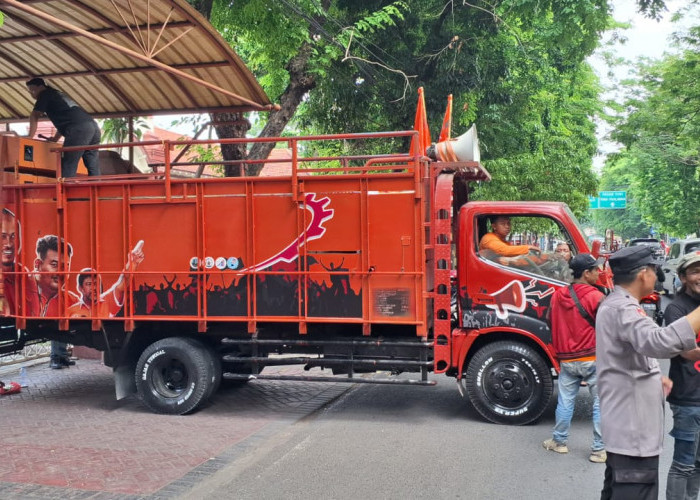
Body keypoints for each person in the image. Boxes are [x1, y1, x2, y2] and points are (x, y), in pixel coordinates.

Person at [597, 246, 700, 500]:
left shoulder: (622, 304)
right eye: (654, 271)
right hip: (632, 435)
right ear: (644, 274)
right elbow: (659, 342)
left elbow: (631, 357)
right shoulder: (623, 309)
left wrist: (654, 379)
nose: (656, 277)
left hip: (629, 430)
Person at [543, 254, 606, 463]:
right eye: (596, 270)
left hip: (567, 360)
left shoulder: (557, 295)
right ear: (586, 273)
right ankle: (599, 450)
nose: (599, 273)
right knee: (600, 403)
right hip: (593, 358)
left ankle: (559, 442)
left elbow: (550, 321)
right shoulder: (596, 297)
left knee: (565, 401)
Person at [665, 251, 700, 500]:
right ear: (683, 277)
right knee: (684, 463)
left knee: (698, 464)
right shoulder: (676, 309)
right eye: (695, 271)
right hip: (688, 399)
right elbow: (687, 352)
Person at [24, 77, 101, 178]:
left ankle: (66, 191)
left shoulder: (45, 94)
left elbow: (34, 115)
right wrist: (55, 139)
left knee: (68, 163)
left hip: (79, 129)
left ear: (41, 87)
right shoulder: (56, 94)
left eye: (33, 90)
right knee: (92, 162)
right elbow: (67, 121)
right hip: (93, 127)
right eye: (30, 92)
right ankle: (96, 188)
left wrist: (30, 136)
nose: (32, 94)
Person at [27, 235, 78, 369]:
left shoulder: (69, 298)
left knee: (61, 325)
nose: (61, 273)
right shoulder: (23, 289)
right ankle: (56, 358)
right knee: (56, 326)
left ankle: (61, 356)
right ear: (38, 264)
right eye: (54, 265)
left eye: (65, 266)